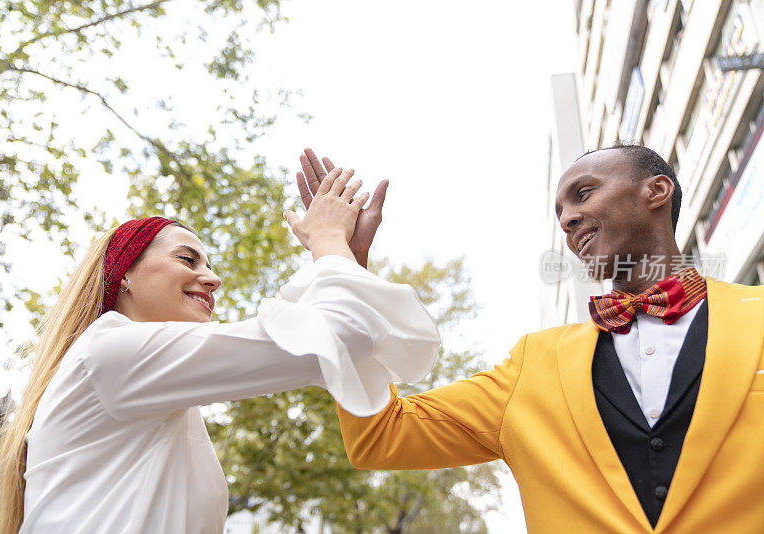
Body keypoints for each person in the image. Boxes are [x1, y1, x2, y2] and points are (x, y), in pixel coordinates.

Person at [298, 145, 764, 534]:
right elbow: (383, 435)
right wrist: (347, 266)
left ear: (657, 191)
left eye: (583, 194)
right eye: (559, 212)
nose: (567, 220)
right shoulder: (533, 363)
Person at [0, 167, 441, 534]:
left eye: (209, 264)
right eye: (188, 259)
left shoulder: (143, 385)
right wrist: (328, 243)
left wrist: (348, 261)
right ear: (121, 274)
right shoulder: (112, 354)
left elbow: (340, 348)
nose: (213, 278)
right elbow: (341, 336)